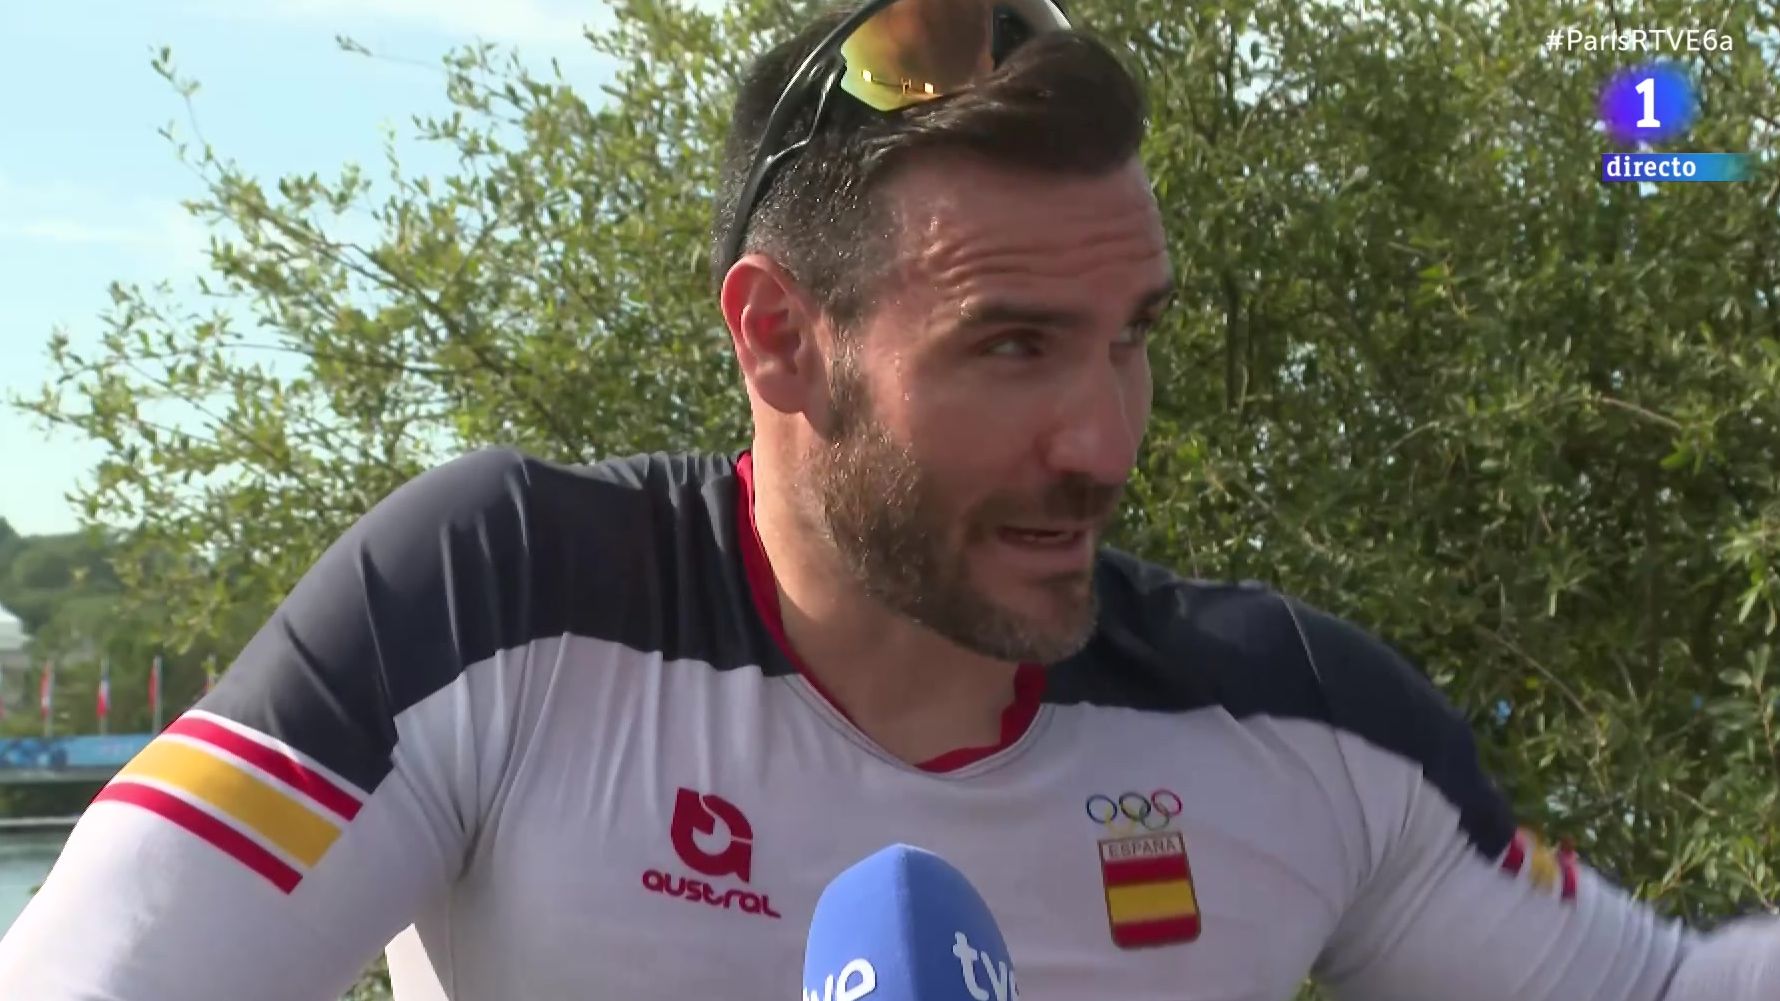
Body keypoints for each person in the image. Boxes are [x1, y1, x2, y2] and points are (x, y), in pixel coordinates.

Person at [1, 1, 1775, 998]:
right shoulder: (491, 600)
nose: (1101, 439)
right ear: (780, 340)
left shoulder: (1299, 724)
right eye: (1012, 347)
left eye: (1131, 338)